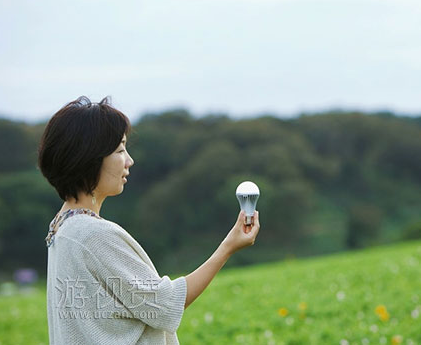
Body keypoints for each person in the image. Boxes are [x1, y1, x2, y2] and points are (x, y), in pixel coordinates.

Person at [38, 96, 260, 345]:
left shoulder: (62, 227)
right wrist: (228, 247)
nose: (129, 160)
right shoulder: (92, 235)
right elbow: (165, 304)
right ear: (89, 158)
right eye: (120, 150)